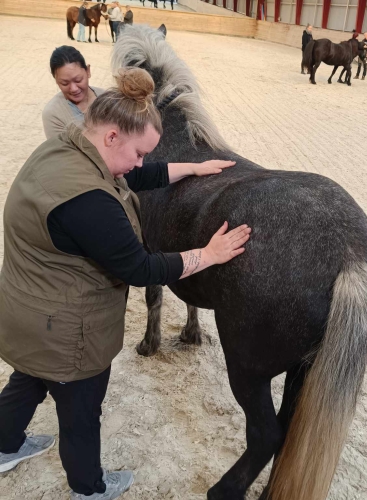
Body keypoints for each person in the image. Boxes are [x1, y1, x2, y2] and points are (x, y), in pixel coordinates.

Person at [0, 67, 251, 500]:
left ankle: (4, 445)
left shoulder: (69, 149)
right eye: (138, 152)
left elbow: (132, 175)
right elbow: (141, 269)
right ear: (113, 136)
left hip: (30, 310)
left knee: (30, 377)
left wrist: (192, 167)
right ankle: (89, 488)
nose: (139, 164)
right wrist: (207, 256)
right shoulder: (88, 204)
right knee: (80, 411)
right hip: (64, 329)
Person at [42, 46, 104, 139]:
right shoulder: (53, 114)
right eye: (64, 83)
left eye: (78, 80)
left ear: (88, 71)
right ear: (56, 80)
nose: (74, 89)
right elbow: (62, 152)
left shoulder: (108, 98)